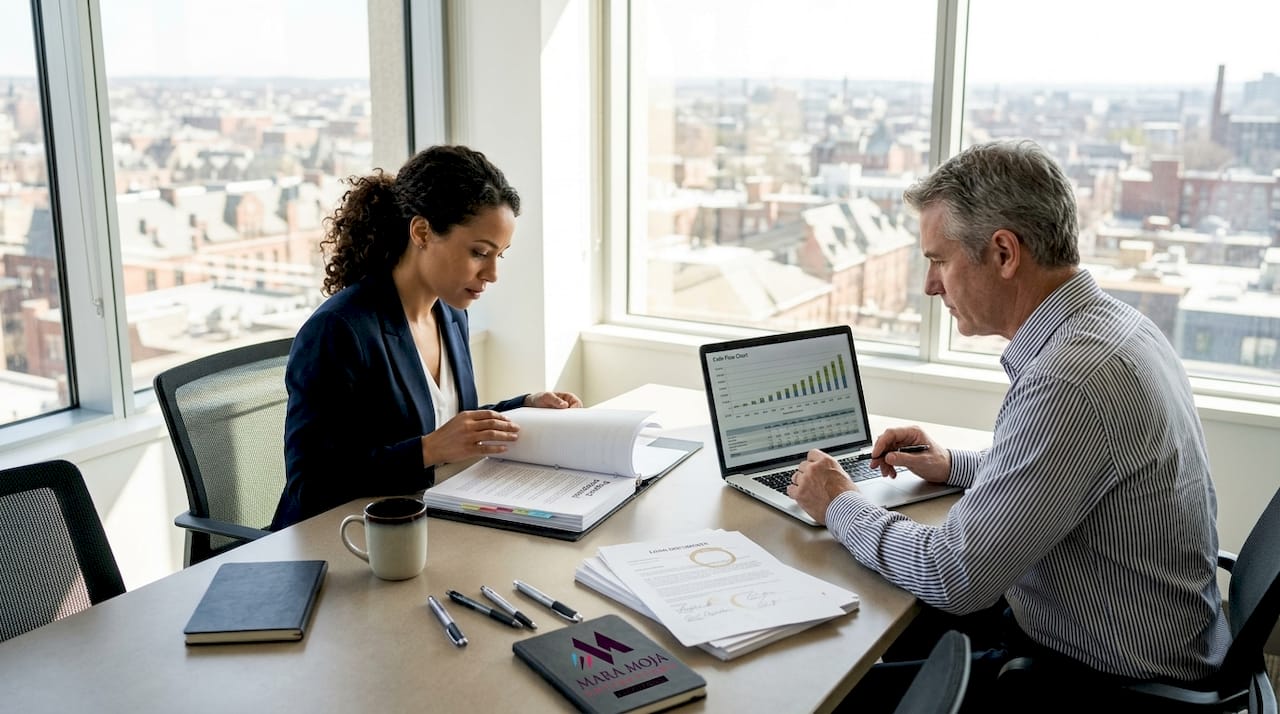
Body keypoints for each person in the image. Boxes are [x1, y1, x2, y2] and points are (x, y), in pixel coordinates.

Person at [786, 140, 1228, 710]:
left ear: (1003, 253)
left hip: (1103, 684)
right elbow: (1062, 478)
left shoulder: (1071, 378)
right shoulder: (1116, 327)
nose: (930, 286)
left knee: (840, 685)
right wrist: (953, 467)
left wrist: (838, 502)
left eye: (939, 260)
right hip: (1150, 639)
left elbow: (953, 577)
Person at [270, 145, 582, 530]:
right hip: (343, 540)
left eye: (499, 255)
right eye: (479, 252)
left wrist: (526, 406)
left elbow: (440, 419)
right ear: (421, 232)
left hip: (429, 524)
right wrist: (427, 451)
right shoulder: (339, 331)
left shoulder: (450, 314)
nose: (491, 273)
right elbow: (311, 485)